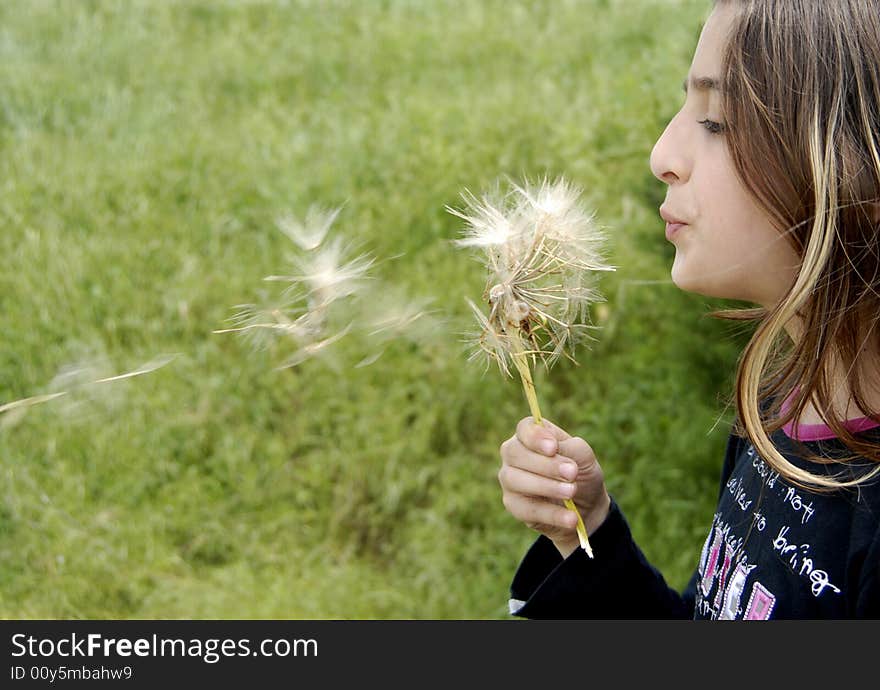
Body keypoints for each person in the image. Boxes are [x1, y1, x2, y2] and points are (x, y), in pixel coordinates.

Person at [498, 0, 880, 619]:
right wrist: (587, 533)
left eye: (717, 120)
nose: (661, 155)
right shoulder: (777, 405)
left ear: (849, 167)